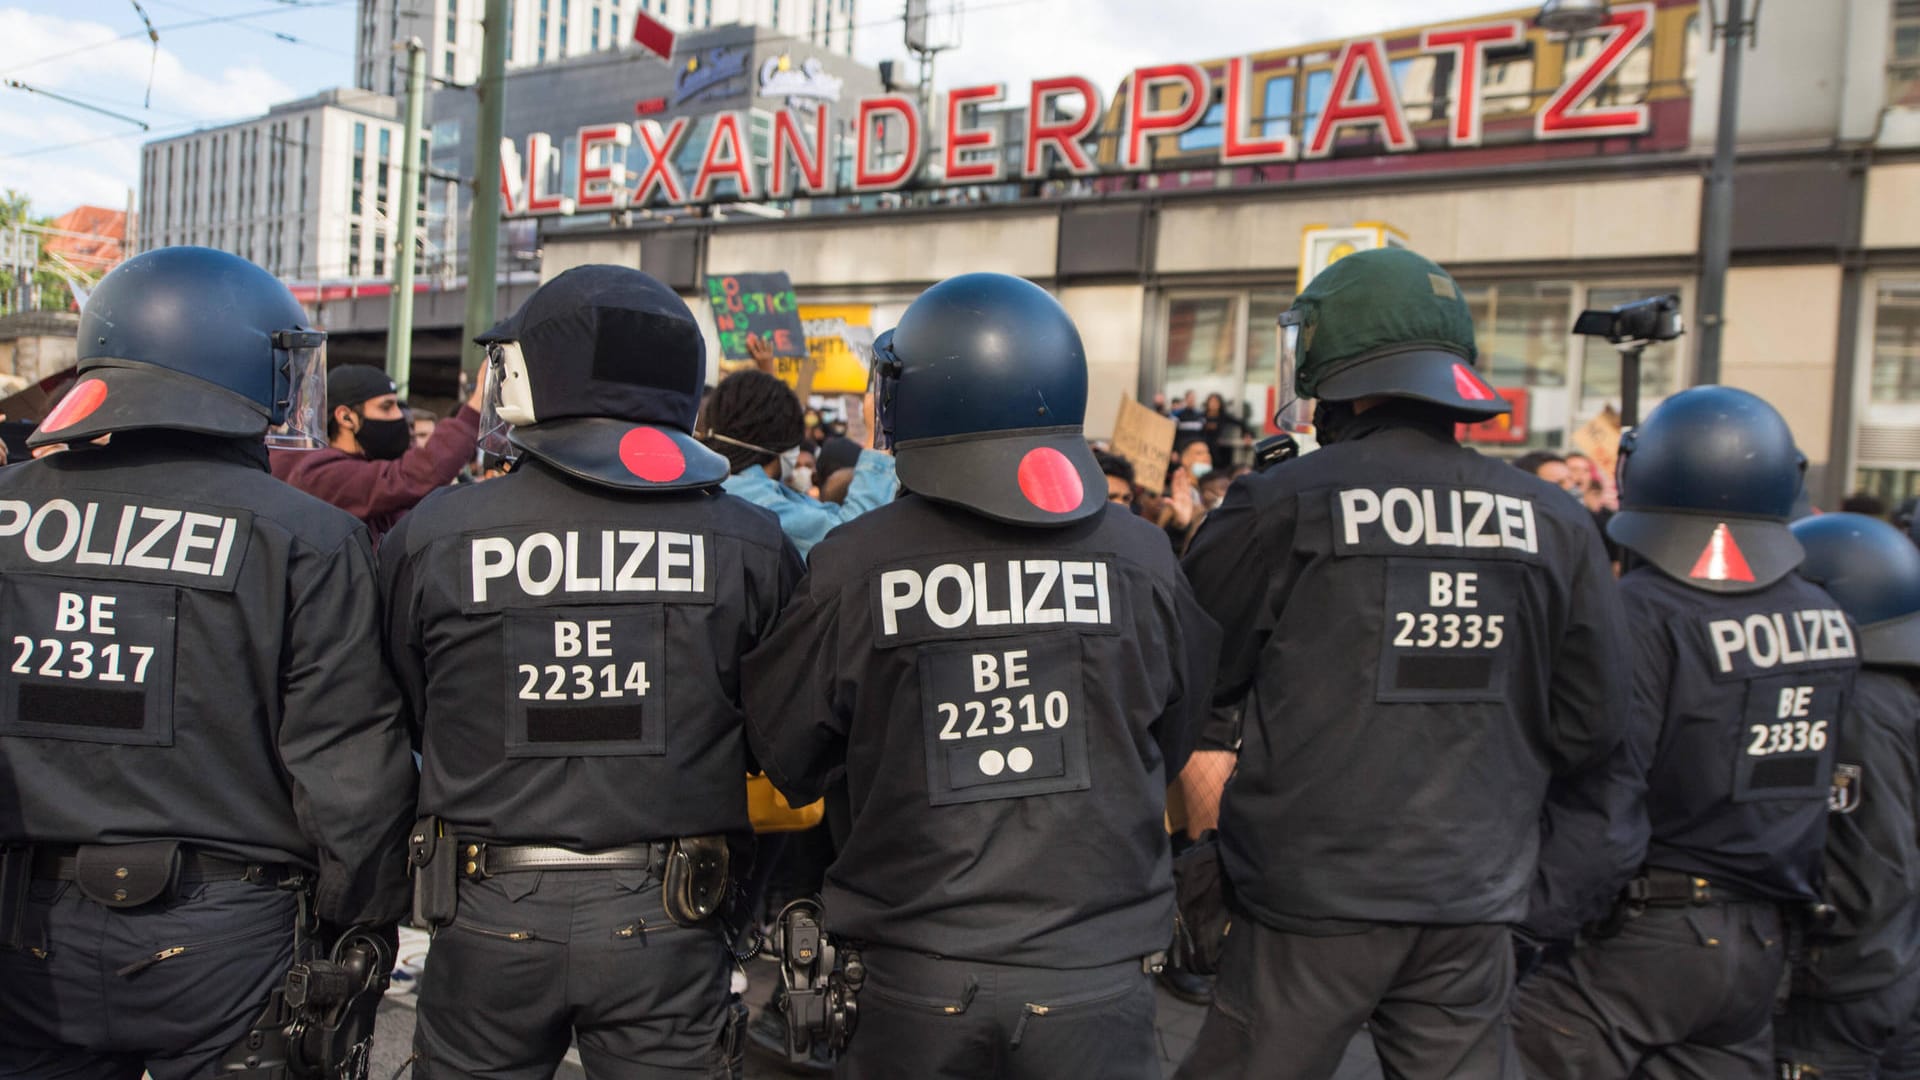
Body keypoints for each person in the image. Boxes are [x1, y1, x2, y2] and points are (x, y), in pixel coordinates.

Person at [741, 272, 1220, 1080]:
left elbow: (786, 753)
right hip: (1098, 977)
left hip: (915, 979)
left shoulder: (855, 566)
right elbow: (1174, 736)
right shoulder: (1143, 560)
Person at [1176, 247, 1625, 1080]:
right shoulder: (1556, 521)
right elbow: (1593, 725)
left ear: (1334, 365)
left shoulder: (1286, 502)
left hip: (1309, 904)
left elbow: (1190, 675)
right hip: (1475, 901)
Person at [0, 246, 415, 1078]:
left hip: (22, 924)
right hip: (227, 932)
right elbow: (348, 771)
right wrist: (357, 924)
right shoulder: (306, 536)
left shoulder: (9, 512)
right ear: (238, 366)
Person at [380, 265, 800, 1078]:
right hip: (673, 916)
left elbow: (407, 700)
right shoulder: (750, 542)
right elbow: (778, 734)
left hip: (485, 908)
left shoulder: (439, 532)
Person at [1511, 386, 1861, 1077]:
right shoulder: (1826, 618)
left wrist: (1520, 927)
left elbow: (1607, 815)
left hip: (1644, 943)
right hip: (1761, 949)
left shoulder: (1643, 614)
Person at [1774, 512, 1920, 1079]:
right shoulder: (1897, 693)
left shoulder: (1856, 705)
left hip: (1845, 986)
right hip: (1893, 971)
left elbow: (1865, 871)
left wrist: (1805, 969)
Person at [270, 362, 482, 543]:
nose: (399, 416)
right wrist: (475, 408)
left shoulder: (367, 470)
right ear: (346, 417)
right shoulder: (319, 474)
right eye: (386, 407)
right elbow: (418, 474)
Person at [697, 370, 896, 560]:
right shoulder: (757, 505)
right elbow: (853, 538)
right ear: (781, 441)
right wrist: (877, 434)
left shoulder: (714, 488)